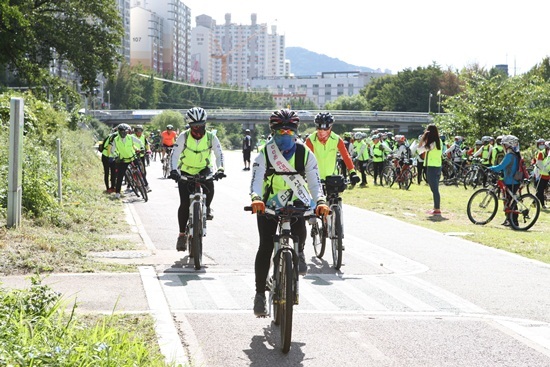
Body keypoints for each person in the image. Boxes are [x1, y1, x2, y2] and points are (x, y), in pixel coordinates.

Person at [249, 108, 329, 317]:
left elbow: (314, 181)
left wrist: (320, 200)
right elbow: (256, 179)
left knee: (300, 231)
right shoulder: (265, 152)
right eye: (280, 131)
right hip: (269, 204)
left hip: (296, 203)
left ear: (295, 131)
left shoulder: (305, 153)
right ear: (273, 131)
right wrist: (256, 198)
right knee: (265, 246)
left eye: (289, 131)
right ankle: (259, 294)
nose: (285, 135)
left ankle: (300, 251)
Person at [169, 107, 225, 252]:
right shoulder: (183, 136)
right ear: (189, 126)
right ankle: (182, 234)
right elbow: (174, 155)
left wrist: (220, 169)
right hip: (186, 171)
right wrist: (174, 171)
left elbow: (219, 155)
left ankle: (206, 208)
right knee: (184, 203)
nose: (198, 130)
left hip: (203, 169)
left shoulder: (212, 137)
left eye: (201, 126)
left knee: (210, 187)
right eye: (195, 127)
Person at [304, 112, 360, 185]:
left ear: (330, 127)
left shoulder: (337, 139)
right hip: (315, 178)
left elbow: (346, 156)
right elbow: (305, 159)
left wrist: (352, 172)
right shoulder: (310, 140)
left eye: (325, 129)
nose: (322, 131)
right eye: (319, 128)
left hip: (332, 177)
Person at [488, 135, 522, 226]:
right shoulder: (514, 155)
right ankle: (509, 220)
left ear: (508, 145)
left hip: (511, 182)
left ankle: (514, 222)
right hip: (512, 181)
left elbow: (500, 166)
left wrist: (490, 168)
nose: (503, 146)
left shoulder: (510, 155)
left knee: (511, 202)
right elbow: (506, 168)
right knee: (508, 201)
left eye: (504, 144)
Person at [108, 123, 141, 199]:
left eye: (125, 132)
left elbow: (139, 142)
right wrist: (115, 156)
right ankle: (117, 192)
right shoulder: (116, 140)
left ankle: (143, 184)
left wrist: (142, 148)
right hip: (123, 159)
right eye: (122, 132)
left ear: (127, 132)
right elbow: (113, 150)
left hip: (132, 157)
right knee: (120, 176)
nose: (124, 133)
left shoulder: (131, 137)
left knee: (140, 170)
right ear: (119, 132)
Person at [417, 124, 443, 215]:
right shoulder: (439, 141)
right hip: (438, 166)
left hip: (431, 167)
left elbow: (420, 149)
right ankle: (436, 207)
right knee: (435, 188)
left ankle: (437, 209)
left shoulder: (432, 144)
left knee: (434, 189)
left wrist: (423, 138)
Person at [131, 124, 151, 192]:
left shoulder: (143, 137)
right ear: (135, 131)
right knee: (134, 170)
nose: (139, 132)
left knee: (143, 171)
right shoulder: (132, 137)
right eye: (137, 131)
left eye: (140, 131)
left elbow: (146, 144)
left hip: (141, 155)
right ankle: (132, 183)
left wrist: (148, 150)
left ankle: (145, 185)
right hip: (133, 155)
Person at [533, 138, 550, 209]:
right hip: (540, 174)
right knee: (540, 191)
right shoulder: (541, 153)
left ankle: (534, 202)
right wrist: (547, 171)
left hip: (547, 176)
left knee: (540, 191)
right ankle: (543, 205)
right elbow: (539, 165)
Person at [100, 127, 117, 193]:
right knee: (108, 172)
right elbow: (108, 147)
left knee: (112, 172)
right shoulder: (114, 136)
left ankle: (111, 187)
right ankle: (109, 188)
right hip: (106, 156)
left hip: (110, 156)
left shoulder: (110, 136)